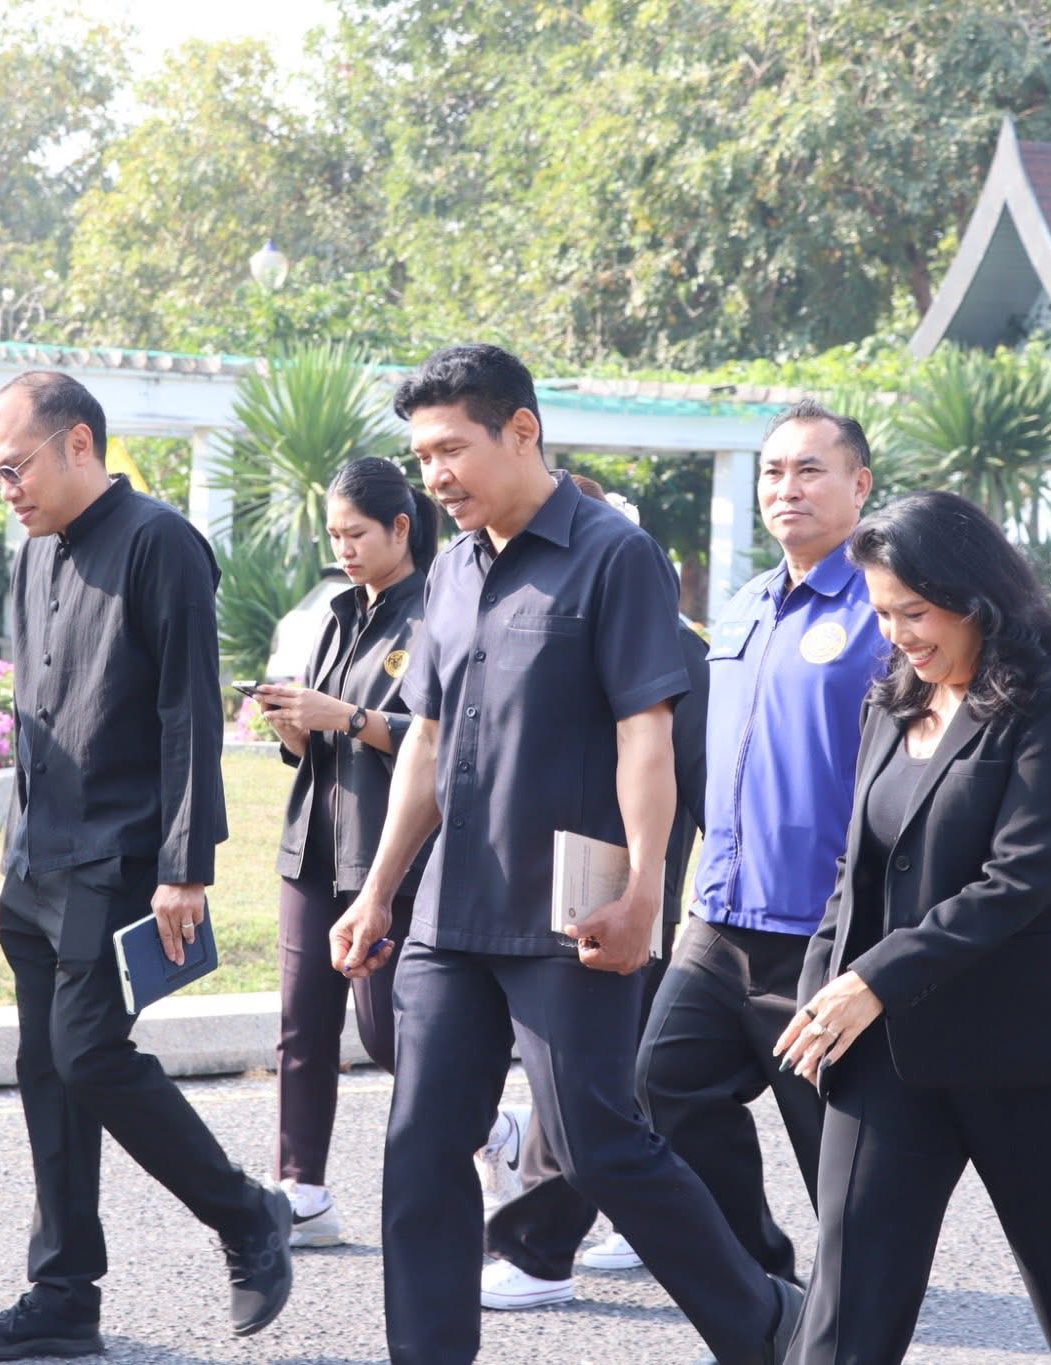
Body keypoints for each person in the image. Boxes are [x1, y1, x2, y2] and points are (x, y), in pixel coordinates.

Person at [333, 344, 801, 1365]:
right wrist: (377, 892)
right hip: (449, 913)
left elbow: (645, 733)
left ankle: (766, 1324)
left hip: (568, 907)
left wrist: (644, 888)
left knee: (597, 1142)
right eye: (421, 455)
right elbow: (424, 737)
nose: (436, 475)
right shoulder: (449, 570)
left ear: (522, 431)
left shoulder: (610, 555)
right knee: (419, 1150)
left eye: (452, 448)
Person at [0, 372, 291, 1361]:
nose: (4, 488)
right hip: (36, 861)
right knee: (44, 1071)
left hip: (122, 854)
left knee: (90, 1053)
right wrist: (10, 856)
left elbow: (187, 713)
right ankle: (62, 1297)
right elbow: (33, 715)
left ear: (80, 445)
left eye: (14, 467)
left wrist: (185, 868)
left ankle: (243, 1214)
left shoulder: (159, 543)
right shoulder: (32, 554)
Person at [775, 490, 1051, 1364]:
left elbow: (1019, 878)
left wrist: (873, 979)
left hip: (1035, 1053)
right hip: (887, 1056)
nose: (899, 634)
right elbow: (856, 869)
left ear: (975, 594)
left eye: (915, 610)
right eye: (882, 613)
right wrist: (822, 992)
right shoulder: (892, 700)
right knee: (847, 1299)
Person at [609, 399, 883, 1289]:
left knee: (835, 1154)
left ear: (859, 484)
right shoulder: (742, 607)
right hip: (720, 915)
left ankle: (851, 1326)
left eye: (810, 469)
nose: (787, 487)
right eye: (773, 471)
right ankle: (764, 1282)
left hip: (826, 930)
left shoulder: (886, 610)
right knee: (665, 1085)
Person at [478, 616, 706, 1308]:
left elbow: (690, 778)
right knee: (620, 1082)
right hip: (530, 880)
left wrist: (648, 892)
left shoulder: (670, 641)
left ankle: (543, 1249)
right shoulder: (516, 620)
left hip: (614, 892)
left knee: (593, 1086)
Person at [252, 455, 438, 1248]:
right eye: (335, 536)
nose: (346, 548)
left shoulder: (433, 614)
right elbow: (320, 740)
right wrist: (295, 727)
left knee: (390, 1031)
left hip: (387, 853)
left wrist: (348, 715)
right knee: (302, 1023)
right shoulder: (335, 612)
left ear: (401, 527)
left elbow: (437, 740)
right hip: (314, 847)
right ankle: (303, 1188)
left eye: (357, 533)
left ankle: (490, 1130)